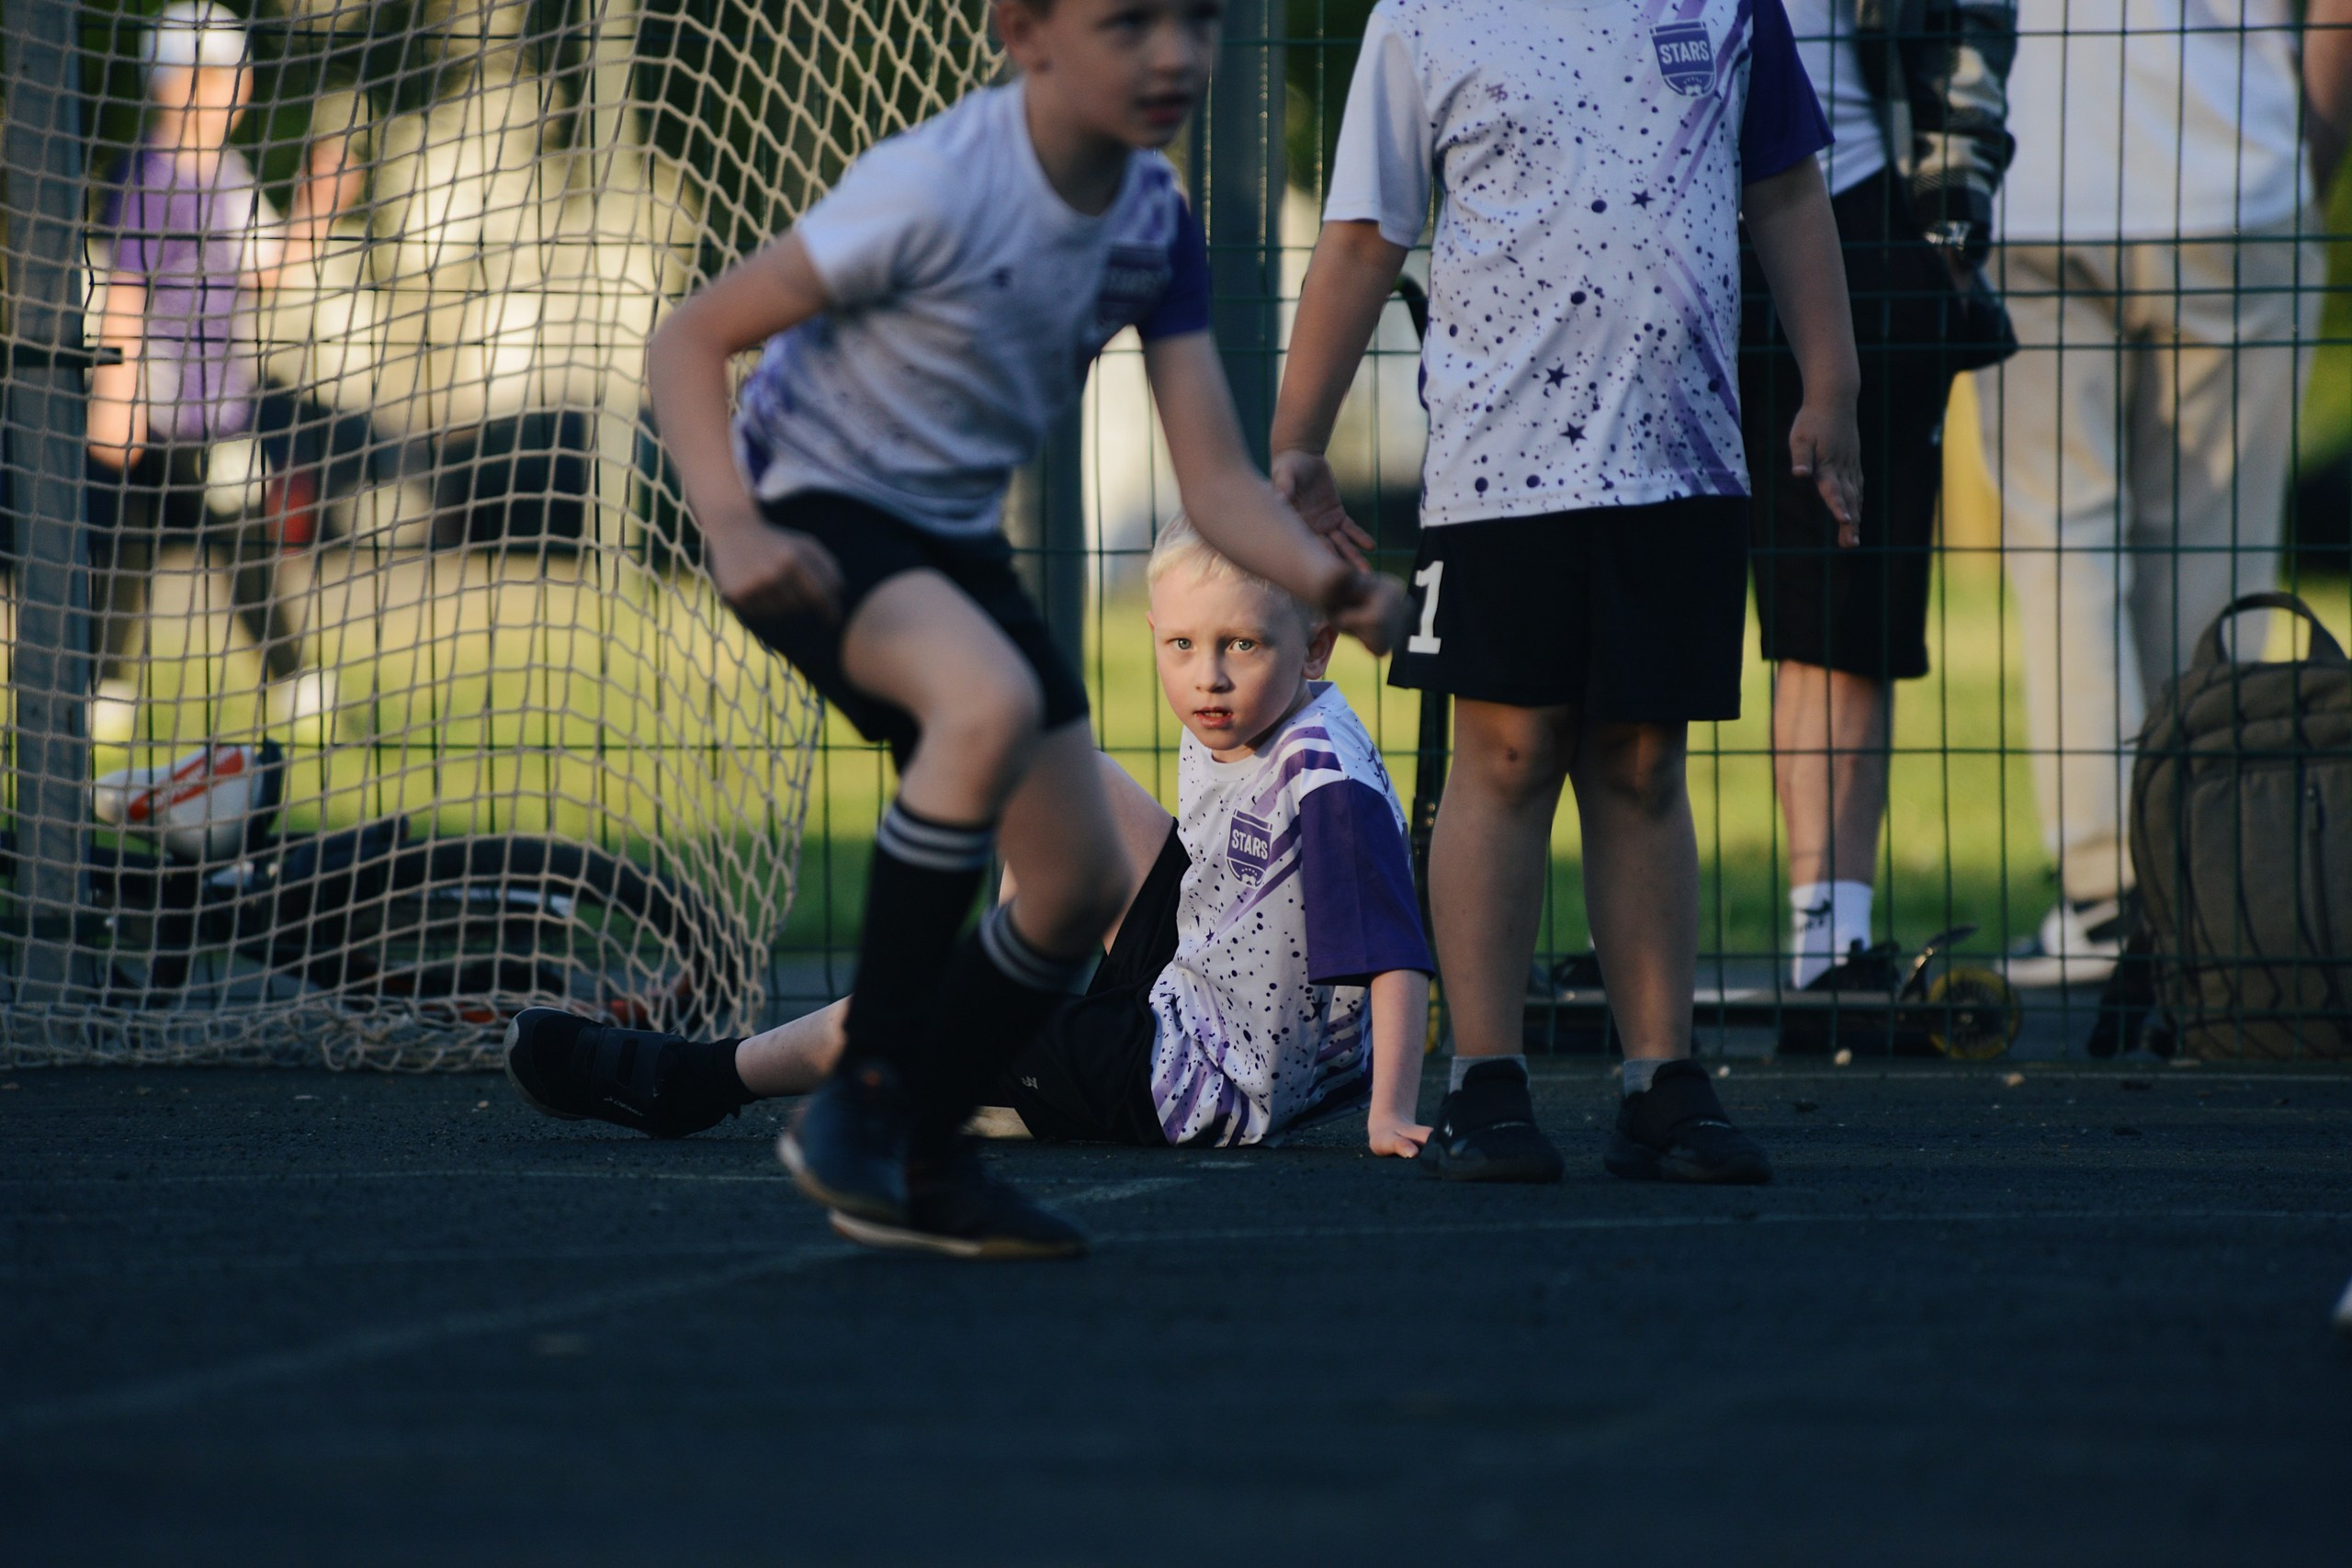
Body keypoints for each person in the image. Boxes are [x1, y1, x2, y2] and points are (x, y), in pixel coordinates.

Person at [635, 0, 1405, 1258]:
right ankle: (871, 1102)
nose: (1175, 56)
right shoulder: (939, 185)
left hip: (943, 536)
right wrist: (728, 524)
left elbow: (1212, 482)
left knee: (1075, 882)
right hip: (808, 503)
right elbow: (689, 337)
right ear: (1026, 32)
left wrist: (1331, 586)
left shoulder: (1152, 222)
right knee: (983, 705)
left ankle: (923, 1157)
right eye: (1128, 24)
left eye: (1199, 23)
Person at [1272, 0, 1862, 1183]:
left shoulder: (1732, 10)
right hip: (1497, 470)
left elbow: (1787, 189)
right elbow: (1359, 239)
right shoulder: (1425, 19)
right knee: (1502, 756)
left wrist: (1831, 381)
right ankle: (1486, 1078)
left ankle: (1661, 1081)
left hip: (1682, 459)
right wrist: (1297, 442)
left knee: (1643, 760)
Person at [504, 519, 1436, 1200]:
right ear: (1152, 632)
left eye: (1241, 645)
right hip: (1205, 990)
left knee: (933, 1010)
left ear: (1315, 645)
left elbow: (1396, 953)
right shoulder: (1256, 708)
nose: (1210, 677)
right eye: (1185, 646)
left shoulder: (1326, 788)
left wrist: (1387, 1111)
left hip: (1210, 1082)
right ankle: (1026, 1017)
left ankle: (692, 1082)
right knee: (1043, 759)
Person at [1982, 1, 2352, 985]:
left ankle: (2105, 899)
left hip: (2033, 177)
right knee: (2212, 551)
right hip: (2235, 175)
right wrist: (2303, 159)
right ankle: (2205, 883)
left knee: (2062, 545)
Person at [1747, 0, 2017, 998]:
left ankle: (1829, 946)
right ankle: (1622, 935)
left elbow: (1966, 20)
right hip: (1644, 222)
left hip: (1859, 208)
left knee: (1846, 597)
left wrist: (1949, 221)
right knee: (1634, 589)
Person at [85, 2, 361, 740]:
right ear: (172, 85)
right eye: (218, 78)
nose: (236, 92)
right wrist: (116, 394)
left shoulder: (230, 176)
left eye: (237, 77)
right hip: (153, 406)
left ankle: (290, 676)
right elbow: (124, 289)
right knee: (121, 555)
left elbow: (266, 270)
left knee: (245, 550)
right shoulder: (146, 175)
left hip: (221, 410)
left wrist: (317, 209)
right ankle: (103, 684)